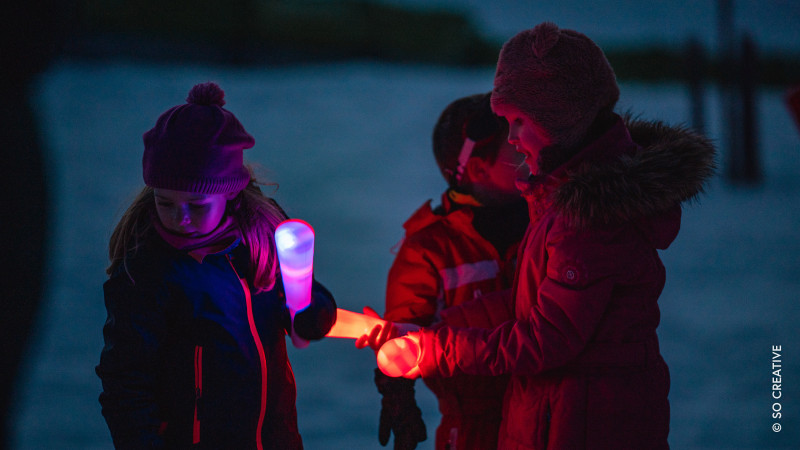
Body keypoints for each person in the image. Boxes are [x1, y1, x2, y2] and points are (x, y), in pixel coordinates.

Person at [378, 22, 717, 449]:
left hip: (583, 423)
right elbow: (531, 301)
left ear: (560, 121)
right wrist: (436, 329)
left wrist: (436, 349)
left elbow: (544, 340)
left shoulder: (588, 220)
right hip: (559, 414)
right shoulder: (561, 199)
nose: (514, 139)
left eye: (519, 122)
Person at [95, 82, 336, 449]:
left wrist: (313, 314)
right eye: (165, 202)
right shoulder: (146, 271)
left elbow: (303, 302)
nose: (181, 217)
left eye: (197, 203)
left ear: (229, 190)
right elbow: (125, 382)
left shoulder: (264, 236)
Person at [363, 92, 529, 450]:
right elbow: (404, 332)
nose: (527, 148)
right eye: (514, 146)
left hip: (546, 412)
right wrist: (398, 390)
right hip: (470, 426)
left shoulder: (548, 223)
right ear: (479, 168)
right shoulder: (429, 248)